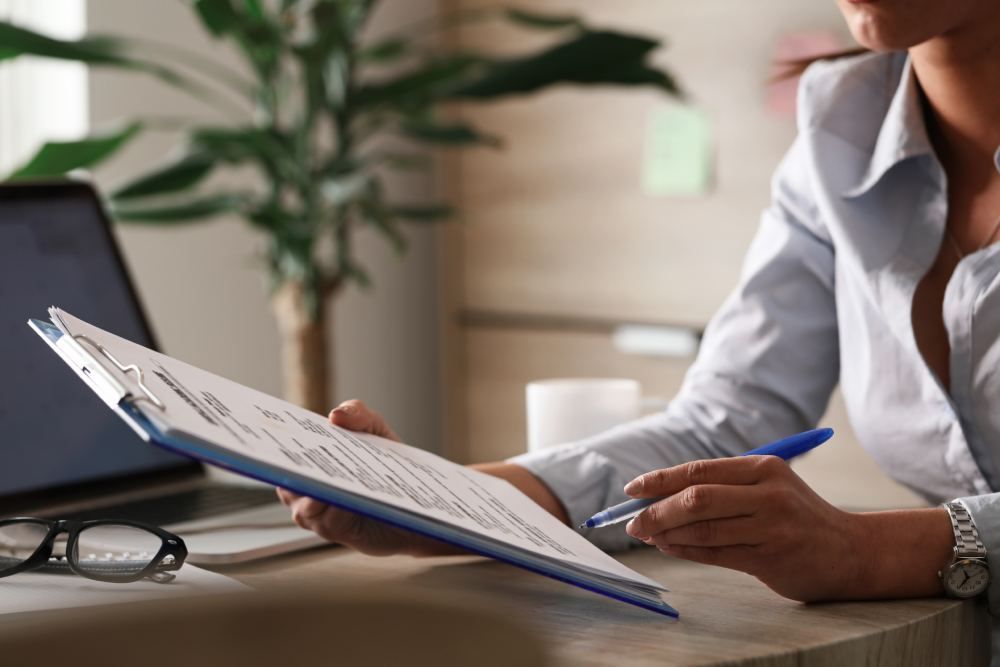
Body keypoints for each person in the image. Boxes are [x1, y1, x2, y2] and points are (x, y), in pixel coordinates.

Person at [280, 0, 1000, 648]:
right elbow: (718, 424)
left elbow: (864, 545)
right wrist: (441, 506)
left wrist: (866, 550)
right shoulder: (841, 128)